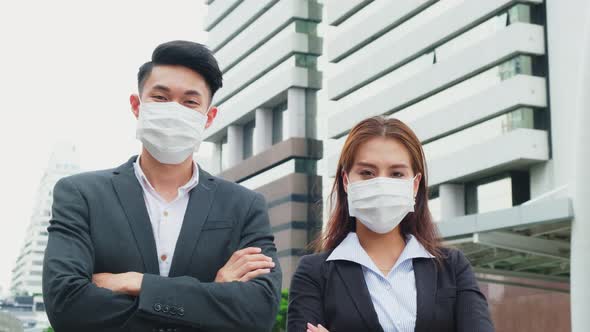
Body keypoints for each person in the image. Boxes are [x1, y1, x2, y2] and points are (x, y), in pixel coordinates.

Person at [42, 40, 282, 332]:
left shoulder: (244, 206)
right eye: (161, 97)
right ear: (136, 105)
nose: (174, 110)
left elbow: (259, 313)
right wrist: (211, 296)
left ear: (208, 117)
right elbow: (67, 306)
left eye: (190, 102)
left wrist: (137, 282)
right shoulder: (81, 195)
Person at [288, 117, 494, 332]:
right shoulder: (314, 273)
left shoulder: (452, 267)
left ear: (414, 185)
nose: (381, 183)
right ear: (346, 181)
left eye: (397, 174)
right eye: (367, 173)